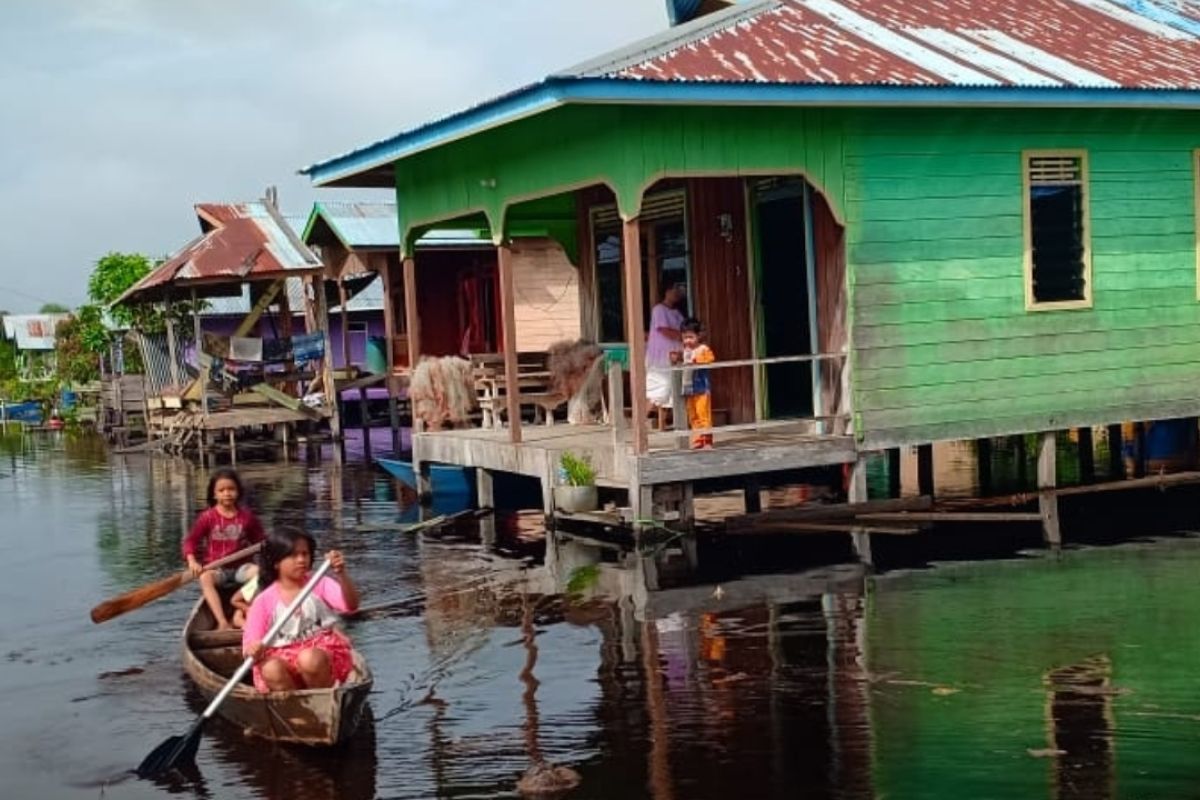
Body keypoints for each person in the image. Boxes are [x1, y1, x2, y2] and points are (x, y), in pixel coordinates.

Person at [242, 527, 360, 693]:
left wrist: (341, 574)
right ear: (276, 562)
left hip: (322, 656)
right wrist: (254, 649)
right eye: (293, 555)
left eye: (305, 554)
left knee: (309, 658)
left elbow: (352, 605)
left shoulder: (320, 583)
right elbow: (249, 646)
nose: (301, 560)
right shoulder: (263, 601)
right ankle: (298, 709)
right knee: (270, 668)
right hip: (284, 658)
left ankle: (323, 701)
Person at [182, 468, 265, 630]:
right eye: (221, 490)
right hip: (217, 569)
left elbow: (261, 541)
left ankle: (243, 608)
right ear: (214, 494)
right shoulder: (207, 517)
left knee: (261, 574)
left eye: (231, 489)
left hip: (241, 568)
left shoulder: (246, 517)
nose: (227, 493)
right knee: (205, 578)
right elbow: (190, 541)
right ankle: (222, 621)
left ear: (238, 492)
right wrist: (192, 561)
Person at [645, 283, 686, 429]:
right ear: (666, 291)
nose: (677, 294)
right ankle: (642, 420)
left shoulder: (677, 313)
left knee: (671, 389)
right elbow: (663, 330)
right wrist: (683, 337)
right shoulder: (659, 309)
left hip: (675, 354)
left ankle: (663, 424)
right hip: (660, 355)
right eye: (674, 290)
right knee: (660, 388)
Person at [680, 317, 716, 450]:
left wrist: (696, 360)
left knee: (703, 414)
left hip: (701, 386)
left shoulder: (703, 348)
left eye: (690, 337)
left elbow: (710, 360)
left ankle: (707, 441)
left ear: (698, 336)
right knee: (693, 414)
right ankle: (698, 439)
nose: (687, 340)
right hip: (689, 387)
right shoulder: (685, 351)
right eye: (685, 337)